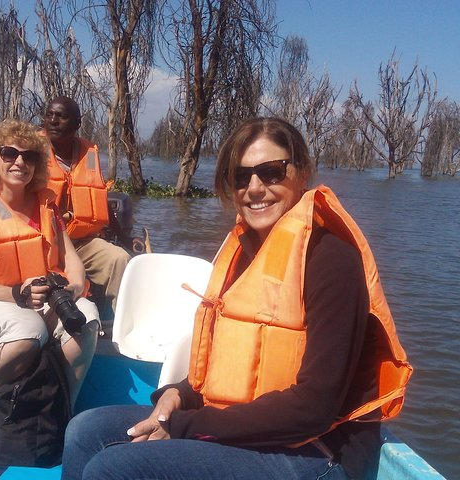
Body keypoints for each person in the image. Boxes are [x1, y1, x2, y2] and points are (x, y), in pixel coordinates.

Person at [60, 117, 412, 480]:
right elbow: (233, 368)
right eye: (240, 177)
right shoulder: (245, 255)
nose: (254, 188)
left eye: (271, 172)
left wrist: (186, 425)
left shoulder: (332, 260)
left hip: (320, 451)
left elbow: (313, 410)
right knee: (86, 431)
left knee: (115, 469)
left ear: (302, 171)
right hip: (253, 430)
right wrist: (178, 395)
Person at [0, 119, 99, 406]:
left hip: (34, 297)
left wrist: (75, 289)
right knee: (30, 328)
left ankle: (59, 409)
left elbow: (72, 262)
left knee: (87, 317)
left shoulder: (46, 205)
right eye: (10, 154)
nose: (20, 162)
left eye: (29, 156)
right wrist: (17, 294)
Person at [43, 96, 130, 318]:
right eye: (50, 115)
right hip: (46, 244)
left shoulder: (88, 152)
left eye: (62, 116)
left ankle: (115, 325)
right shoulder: (31, 154)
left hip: (83, 242)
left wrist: (125, 237)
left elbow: (99, 199)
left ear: (77, 124)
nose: (54, 121)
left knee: (119, 259)